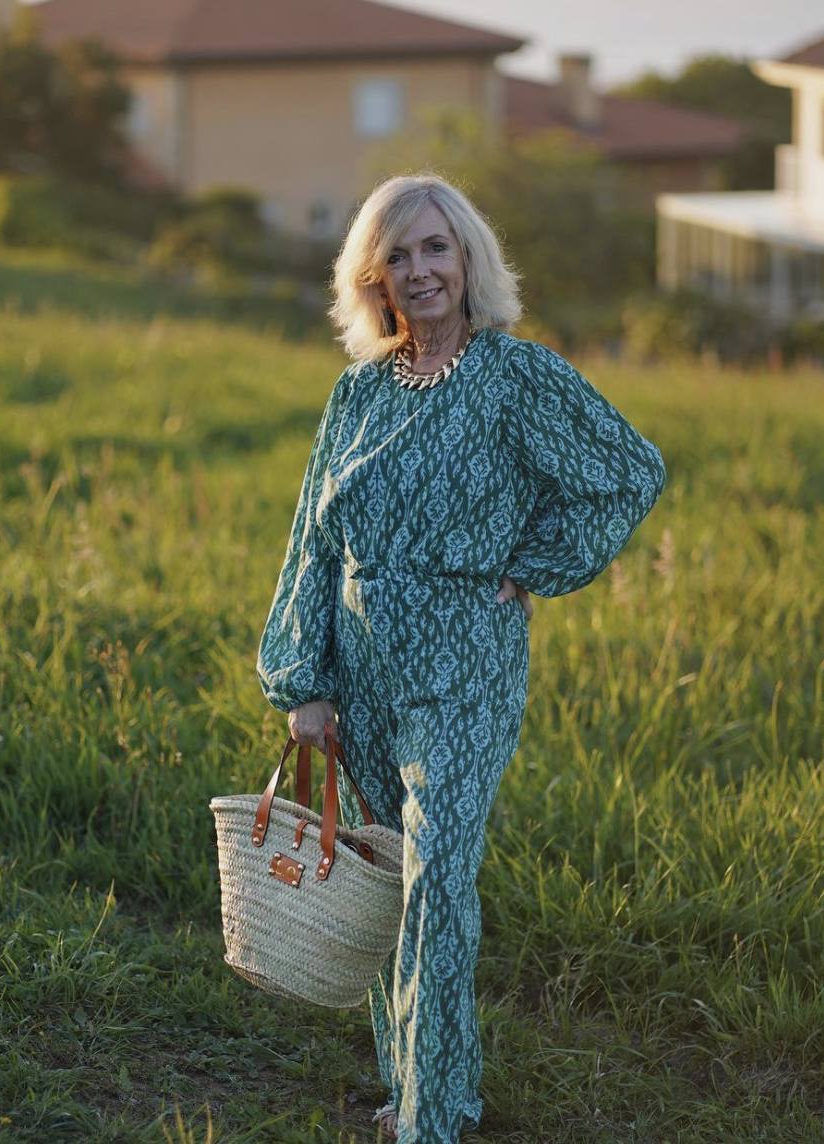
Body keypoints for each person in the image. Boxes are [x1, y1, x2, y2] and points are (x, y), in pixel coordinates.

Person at [255, 173, 666, 1143]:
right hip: (359, 666)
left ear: (468, 258)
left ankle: (431, 1120)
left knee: (436, 875)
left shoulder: (517, 377)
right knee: (386, 878)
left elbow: (629, 471)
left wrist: (534, 566)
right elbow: (311, 541)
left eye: (435, 248)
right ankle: (416, 1083)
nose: (419, 269)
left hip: (463, 662)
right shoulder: (356, 394)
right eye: (396, 255)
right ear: (374, 279)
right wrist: (301, 680)